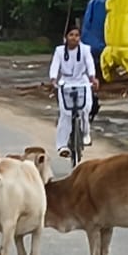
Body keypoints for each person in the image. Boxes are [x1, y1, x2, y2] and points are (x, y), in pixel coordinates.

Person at [49, 27, 97, 158]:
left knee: (85, 109)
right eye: (71, 35)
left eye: (77, 35)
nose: (74, 38)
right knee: (65, 114)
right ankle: (62, 145)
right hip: (66, 83)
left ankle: (86, 133)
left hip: (82, 82)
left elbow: (90, 64)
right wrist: (53, 79)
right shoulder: (59, 51)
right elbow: (55, 66)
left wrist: (93, 78)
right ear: (66, 37)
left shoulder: (85, 49)